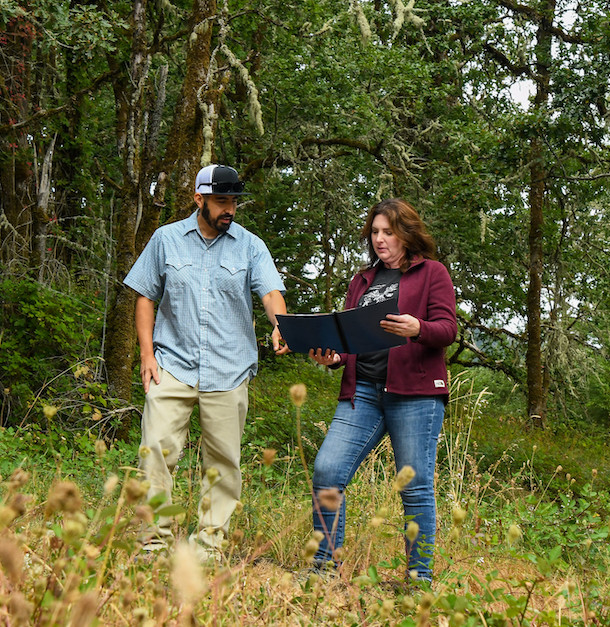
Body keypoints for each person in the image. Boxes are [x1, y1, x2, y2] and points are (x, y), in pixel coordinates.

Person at [124, 164, 289, 560]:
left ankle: (208, 547)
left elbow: (270, 293)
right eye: (221, 201)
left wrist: (281, 325)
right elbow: (145, 296)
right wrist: (146, 355)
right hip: (172, 364)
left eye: (233, 201)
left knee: (223, 463)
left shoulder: (250, 245)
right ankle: (154, 543)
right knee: (156, 453)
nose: (229, 208)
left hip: (229, 370)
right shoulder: (166, 239)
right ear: (199, 199)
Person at [308, 198, 457, 583]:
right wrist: (332, 358)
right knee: (327, 469)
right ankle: (324, 568)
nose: (379, 239)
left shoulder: (432, 273)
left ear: (406, 234)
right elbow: (347, 342)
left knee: (415, 485)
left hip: (416, 395)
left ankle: (419, 578)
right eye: (374, 232)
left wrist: (417, 328)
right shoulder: (362, 280)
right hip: (364, 393)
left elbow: (447, 330)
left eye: (388, 232)